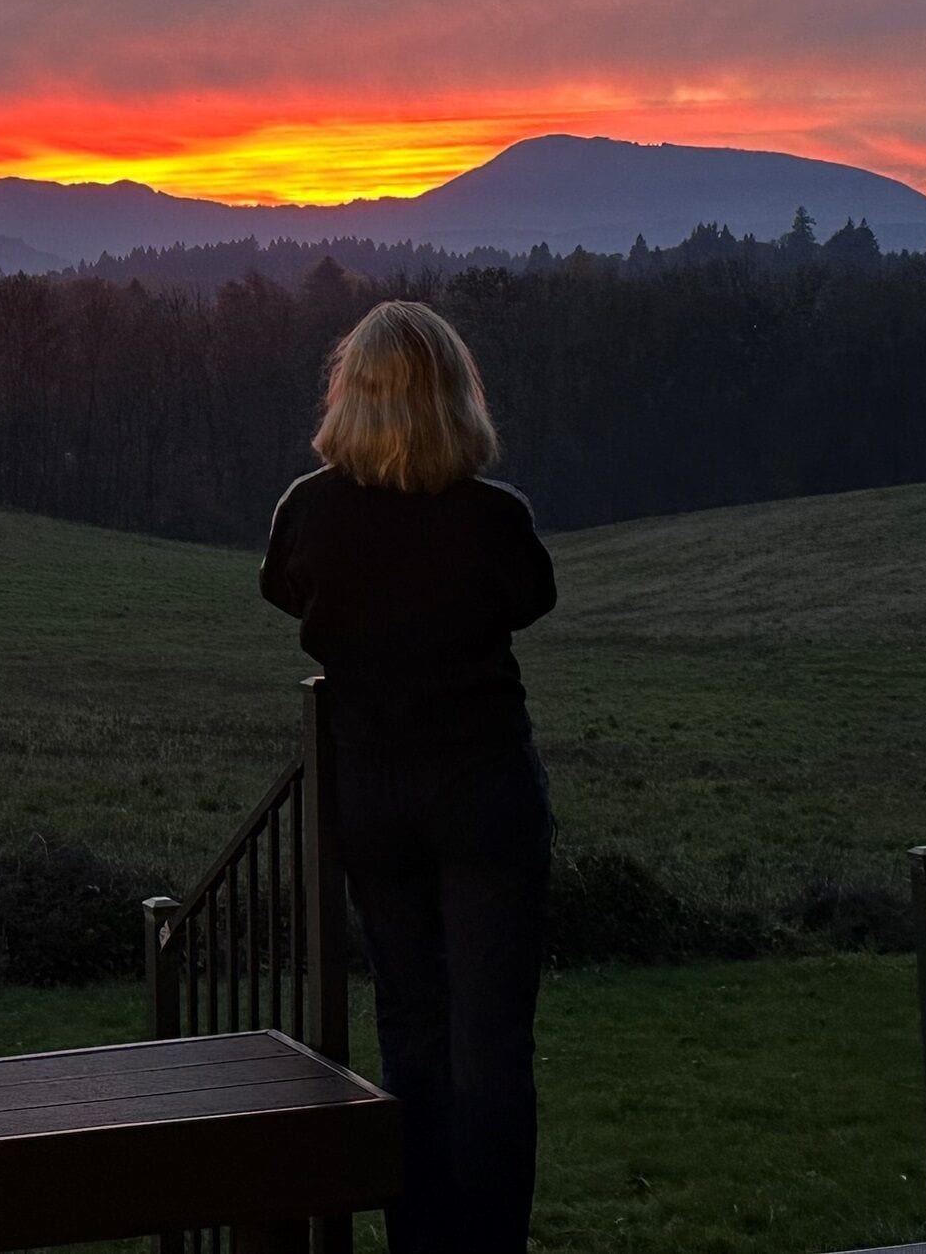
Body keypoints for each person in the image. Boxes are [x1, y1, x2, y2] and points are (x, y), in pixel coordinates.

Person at [260, 299, 557, 1254]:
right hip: (482, 791)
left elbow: (281, 587)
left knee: (411, 1036)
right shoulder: (493, 520)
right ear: (454, 399)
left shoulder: (308, 511)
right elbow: (533, 599)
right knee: (493, 1047)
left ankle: (421, 1241)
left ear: (351, 399)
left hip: (372, 796)